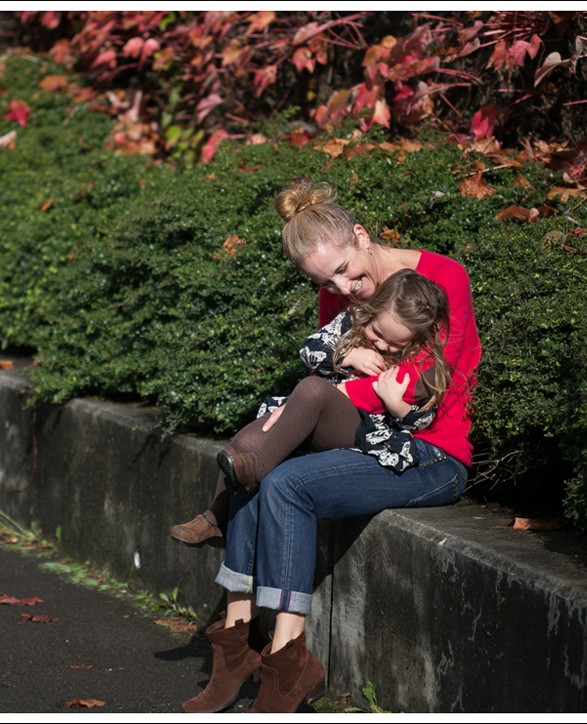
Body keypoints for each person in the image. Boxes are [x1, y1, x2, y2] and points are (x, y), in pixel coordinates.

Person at [180, 180, 481, 713]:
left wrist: (325, 395)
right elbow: (331, 363)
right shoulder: (342, 292)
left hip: (429, 452)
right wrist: (313, 397)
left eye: (344, 271)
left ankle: (286, 660)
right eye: (325, 282)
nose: (343, 289)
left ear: (361, 234)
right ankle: (236, 637)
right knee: (257, 460)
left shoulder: (440, 280)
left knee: (283, 480)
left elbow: (422, 386)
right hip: (365, 433)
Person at [171, 268, 450, 549]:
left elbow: (424, 420)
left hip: (361, 430)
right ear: (372, 309)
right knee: (246, 442)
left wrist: (398, 406)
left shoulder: (419, 358)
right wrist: (349, 355)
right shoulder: (352, 319)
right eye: (377, 332)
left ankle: (257, 470)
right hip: (311, 415)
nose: (382, 345)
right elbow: (309, 350)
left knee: (311, 388)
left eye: (395, 343)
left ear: (413, 339)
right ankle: (215, 520)